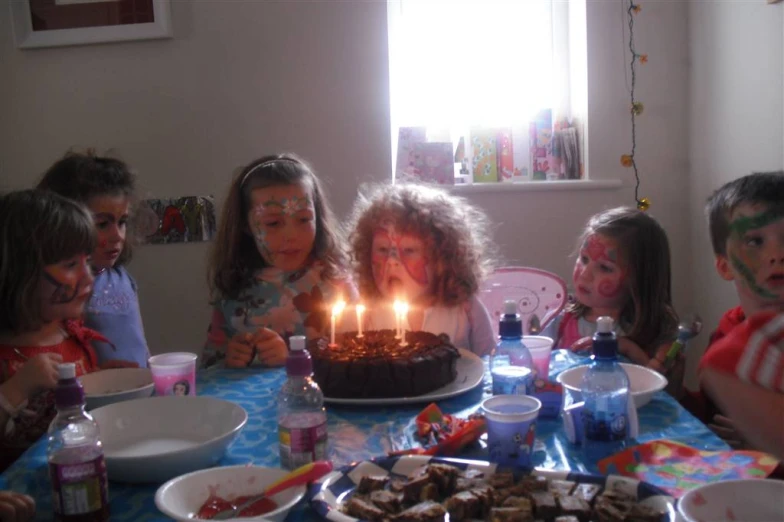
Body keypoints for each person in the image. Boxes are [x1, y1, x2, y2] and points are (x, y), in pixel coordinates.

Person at [0, 190, 122, 470]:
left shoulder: (72, 335)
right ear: (22, 274)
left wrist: (103, 381)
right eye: (70, 265)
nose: (88, 277)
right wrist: (17, 388)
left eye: (88, 263)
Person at [203, 154, 355, 368]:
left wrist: (295, 358)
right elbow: (209, 365)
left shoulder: (335, 283)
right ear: (246, 225)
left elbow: (360, 359)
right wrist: (231, 356)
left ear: (317, 217)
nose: (291, 235)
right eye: (273, 223)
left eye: (303, 219)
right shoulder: (235, 287)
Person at [347, 183, 496, 356]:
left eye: (409, 251)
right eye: (383, 250)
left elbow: (490, 365)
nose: (392, 261)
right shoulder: (364, 316)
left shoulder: (467, 311)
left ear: (441, 258)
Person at [695, 171, 784, 456]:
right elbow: (709, 414)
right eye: (755, 241)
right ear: (724, 267)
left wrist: (759, 440)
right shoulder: (729, 330)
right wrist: (675, 388)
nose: (777, 254)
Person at [37, 151, 150, 368]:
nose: (117, 235)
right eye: (102, 224)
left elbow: (139, 343)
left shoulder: (121, 277)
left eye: (122, 222)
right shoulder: (63, 290)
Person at [543, 207, 681, 378]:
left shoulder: (657, 330)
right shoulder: (560, 319)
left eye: (605, 268)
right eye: (584, 259)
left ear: (640, 279)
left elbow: (665, 392)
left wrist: (628, 348)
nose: (585, 274)